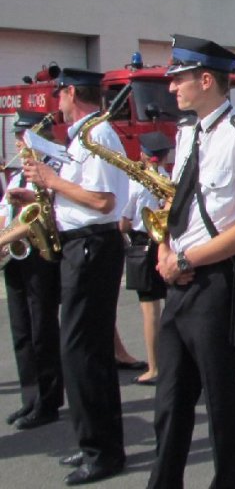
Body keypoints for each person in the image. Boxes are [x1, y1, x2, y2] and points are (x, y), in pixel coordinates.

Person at [147, 35, 235, 488]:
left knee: (221, 402)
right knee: (170, 402)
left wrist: (185, 258)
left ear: (206, 80)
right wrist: (165, 249)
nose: (171, 88)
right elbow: (175, 205)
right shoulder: (188, 133)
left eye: (178, 79)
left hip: (216, 282)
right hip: (178, 278)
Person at [10, 69, 129, 485]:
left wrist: (52, 180)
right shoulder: (82, 136)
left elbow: (103, 201)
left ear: (72, 92)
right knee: (83, 351)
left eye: (58, 92)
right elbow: (81, 194)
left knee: (82, 351)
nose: (55, 99)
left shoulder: (98, 134)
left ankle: (103, 452)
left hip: (93, 246)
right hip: (80, 244)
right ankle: (93, 440)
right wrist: (41, 193)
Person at [0, 111, 62, 431]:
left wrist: (2, 238)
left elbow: (35, 215)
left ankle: (48, 401)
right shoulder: (17, 176)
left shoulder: (51, 170)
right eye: (16, 137)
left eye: (22, 137)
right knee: (22, 331)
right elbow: (6, 212)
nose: (17, 143)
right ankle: (30, 398)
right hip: (16, 256)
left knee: (42, 330)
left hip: (39, 255)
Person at [119, 131, 173, 386]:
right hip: (166, 242)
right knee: (171, 305)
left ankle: (154, 367)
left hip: (142, 244)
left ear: (142, 154)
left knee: (149, 310)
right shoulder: (168, 179)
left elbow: (123, 222)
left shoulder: (135, 182)